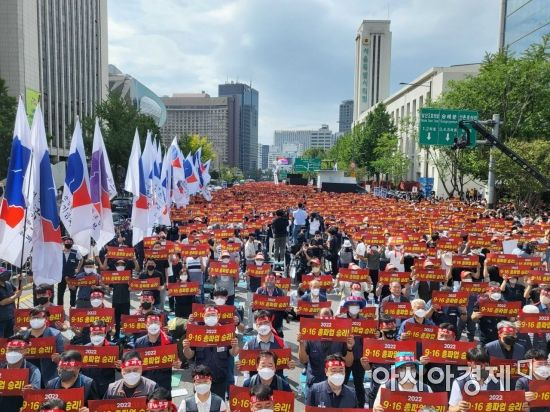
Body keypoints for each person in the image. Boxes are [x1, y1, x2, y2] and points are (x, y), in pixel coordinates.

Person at [183, 305, 240, 398]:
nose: (211, 317)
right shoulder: (196, 331)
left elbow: (233, 353)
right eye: (208, 315)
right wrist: (186, 348)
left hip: (220, 379)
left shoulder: (227, 331)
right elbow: (189, 355)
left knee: (218, 405)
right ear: (203, 317)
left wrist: (235, 346)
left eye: (213, 315)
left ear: (218, 316)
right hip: (200, 379)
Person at [298, 307, 354, 387]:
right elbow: (303, 360)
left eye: (328, 319)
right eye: (323, 319)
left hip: (335, 384)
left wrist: (350, 348)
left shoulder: (341, 337)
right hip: (314, 383)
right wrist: (301, 344)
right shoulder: (310, 336)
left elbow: (348, 363)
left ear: (333, 320)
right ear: (318, 319)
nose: (325, 323)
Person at [448, 346, 504, 412]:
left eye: (485, 364)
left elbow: (504, 405)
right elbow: (451, 409)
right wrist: (459, 407)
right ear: (469, 364)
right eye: (478, 364)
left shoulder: (497, 382)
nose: (482, 367)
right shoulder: (460, 382)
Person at [134, 313, 180, 391]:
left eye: (156, 323)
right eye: (150, 323)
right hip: (145, 384)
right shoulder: (139, 342)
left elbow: (176, 361)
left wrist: (177, 364)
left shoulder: (169, 341)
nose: (153, 325)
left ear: (160, 324)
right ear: (146, 325)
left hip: (164, 383)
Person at [23, 306, 65, 386]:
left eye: (39, 318)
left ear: (46, 318)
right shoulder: (23, 336)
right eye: (34, 318)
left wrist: (58, 358)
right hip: (29, 378)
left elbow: (62, 356)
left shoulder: (55, 334)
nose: (36, 320)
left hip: (48, 377)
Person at [0, 333, 41, 410]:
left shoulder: (33, 371)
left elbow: (36, 400)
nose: (13, 352)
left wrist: (31, 393)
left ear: (25, 351)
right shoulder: (1, 367)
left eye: (17, 349)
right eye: (10, 349)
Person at [339, 295, 367, 407]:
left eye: (356, 305)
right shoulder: (340, 319)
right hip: (343, 357)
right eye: (351, 305)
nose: (354, 307)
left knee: (359, 384)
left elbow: (368, 341)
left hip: (359, 359)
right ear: (347, 307)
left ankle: (360, 405)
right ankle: (340, 404)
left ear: (360, 307)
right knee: (342, 382)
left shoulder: (365, 321)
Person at [81, 320, 116, 398]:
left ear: (105, 333)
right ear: (90, 334)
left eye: (100, 333)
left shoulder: (113, 348)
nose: (97, 336)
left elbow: (120, 369)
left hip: (106, 387)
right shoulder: (84, 349)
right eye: (94, 334)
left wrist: (120, 365)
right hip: (88, 387)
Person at [59, 236, 83, 307]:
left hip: (72, 276)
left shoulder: (75, 252)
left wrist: (78, 268)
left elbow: (81, 260)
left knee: (73, 293)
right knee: (60, 293)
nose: (68, 243)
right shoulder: (60, 252)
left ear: (72, 244)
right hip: (62, 276)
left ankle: (72, 307)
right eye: (67, 242)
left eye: (70, 242)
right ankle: (60, 308)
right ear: (64, 243)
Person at [0, 269, 20, 337]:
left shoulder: (8, 283)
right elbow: (2, 302)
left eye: (6, 274)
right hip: (1, 320)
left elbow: (17, 292)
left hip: (11, 317)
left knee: (10, 338)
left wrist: (20, 281)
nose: (5, 276)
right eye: (3, 275)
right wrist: (15, 296)